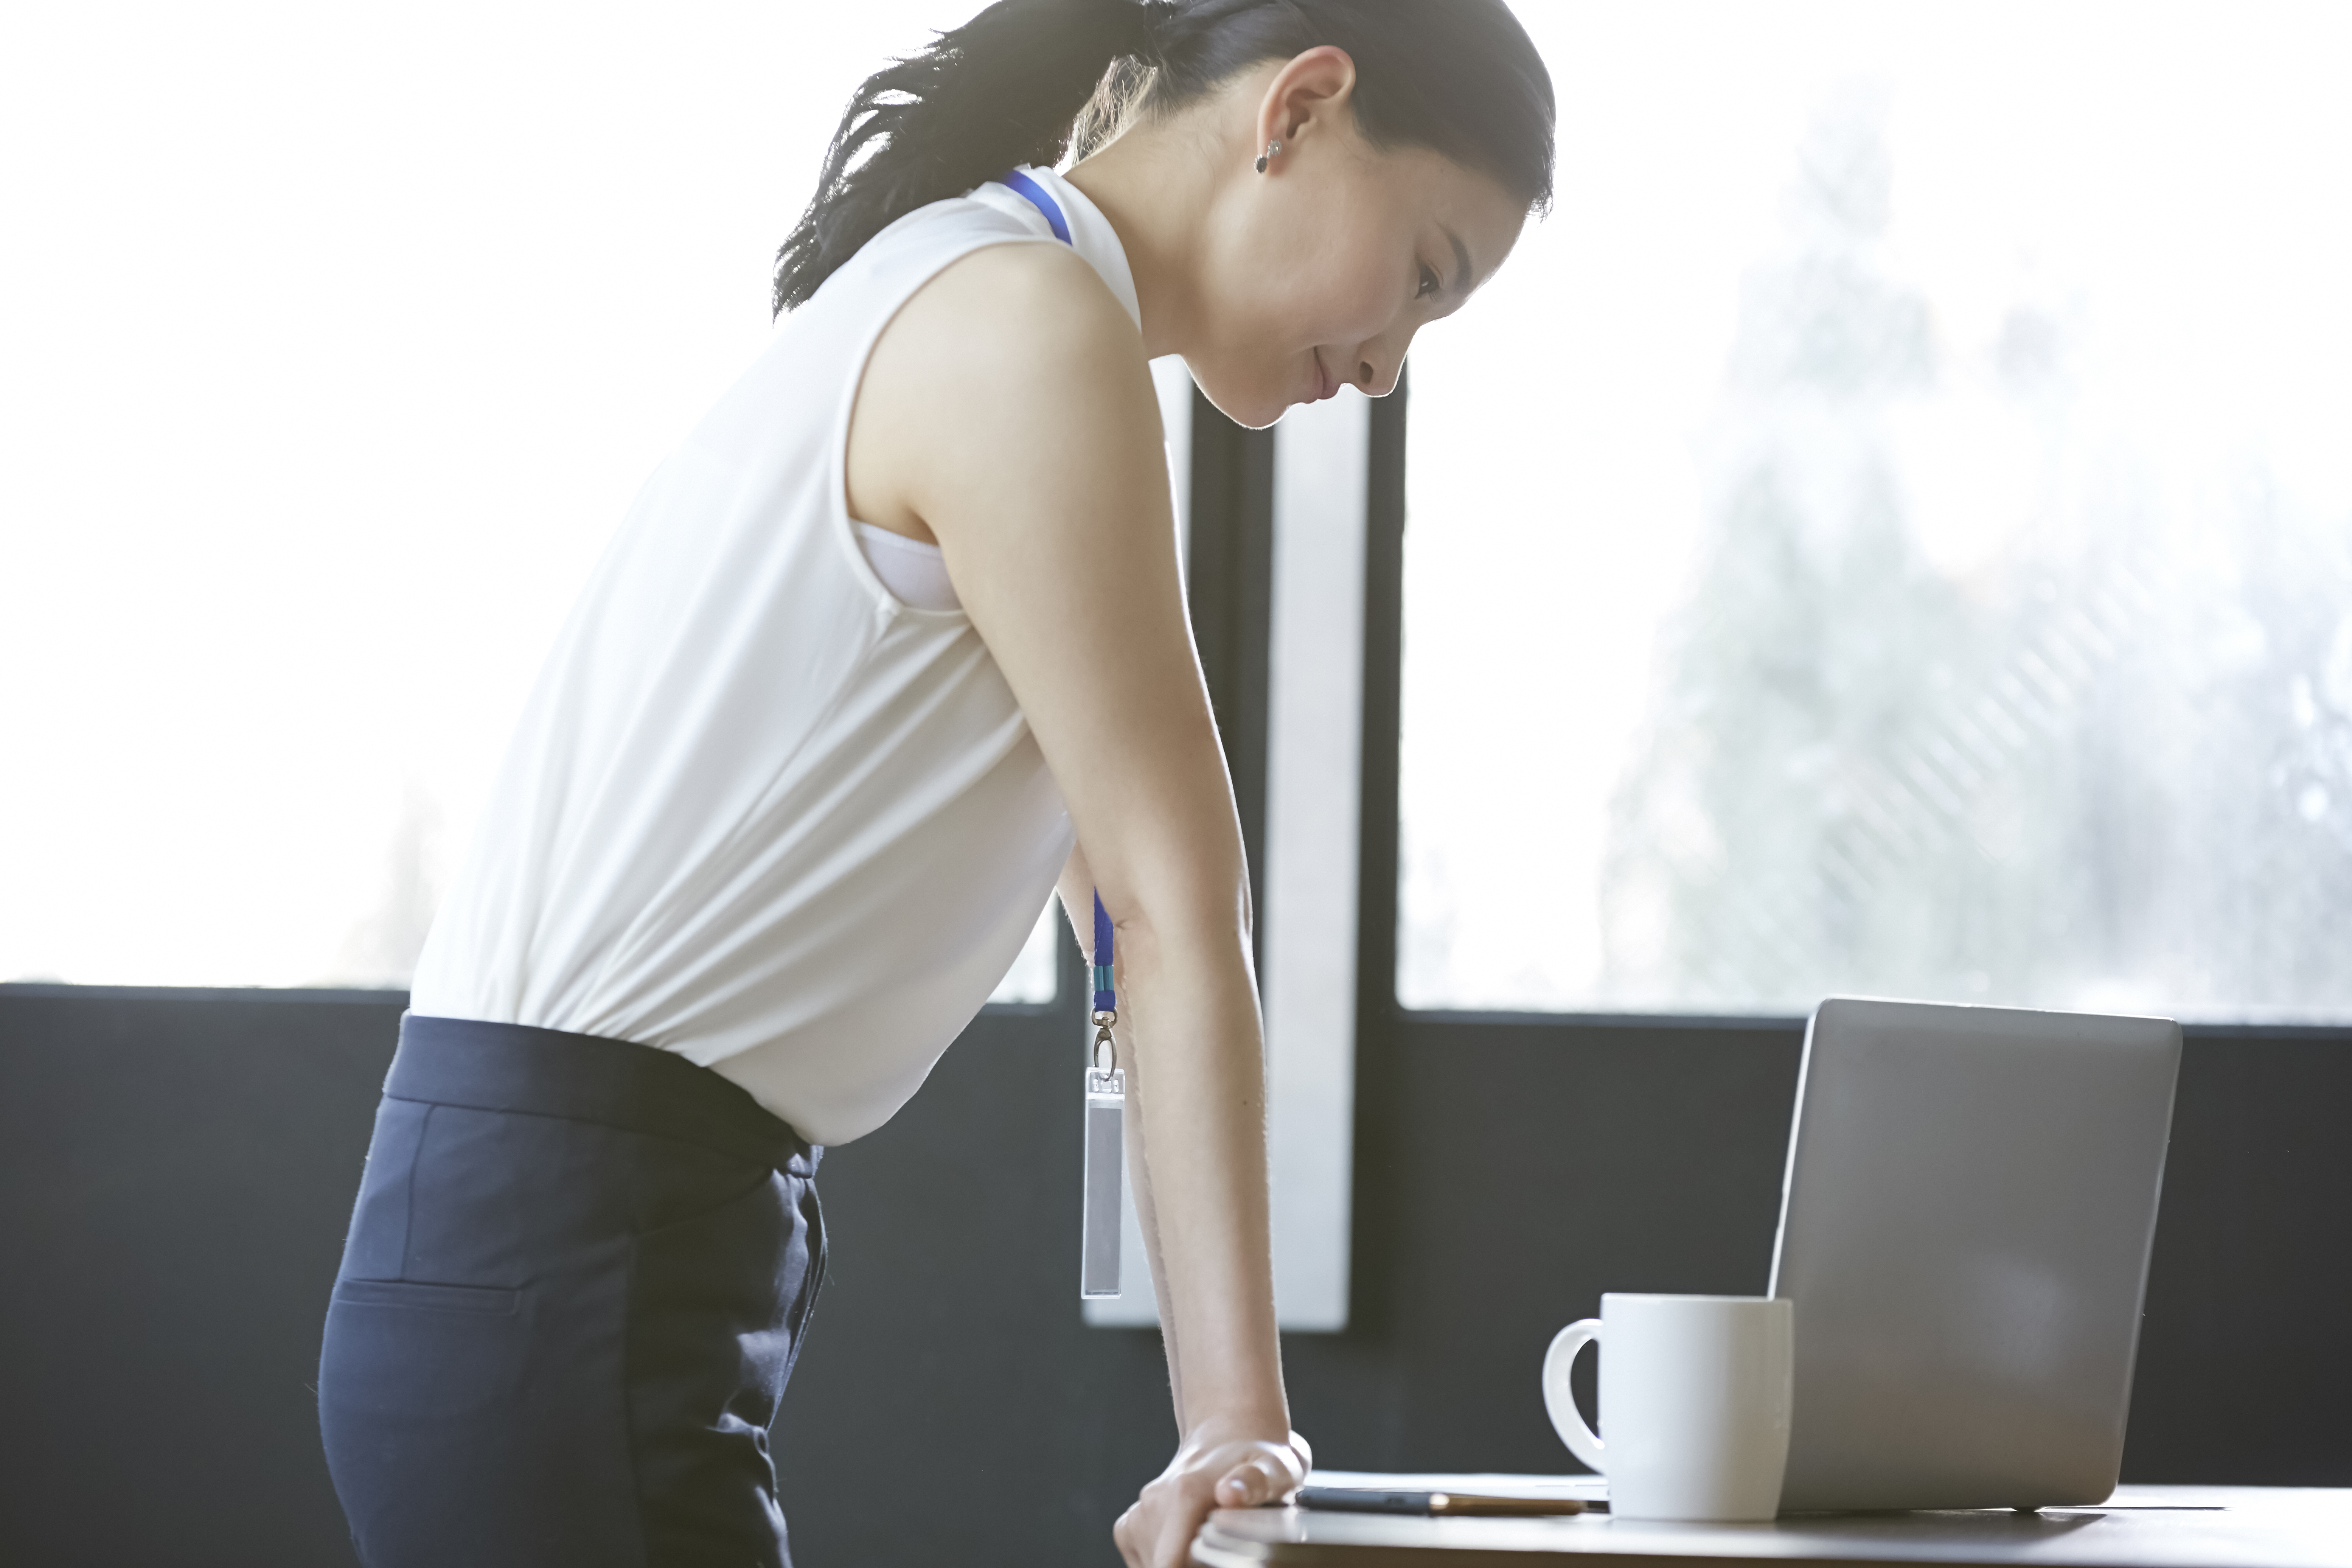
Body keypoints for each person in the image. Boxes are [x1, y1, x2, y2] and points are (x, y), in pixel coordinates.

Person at [314, 2, 1553, 1565]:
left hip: (539, 1252)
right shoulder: (1022, 327)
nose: (1386, 367)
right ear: (1299, 108)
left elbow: (1111, 908)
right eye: (1427, 275)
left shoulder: (971, 285)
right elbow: (1172, 906)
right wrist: (1236, 1426)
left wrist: (1204, 1380)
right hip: (573, 1257)